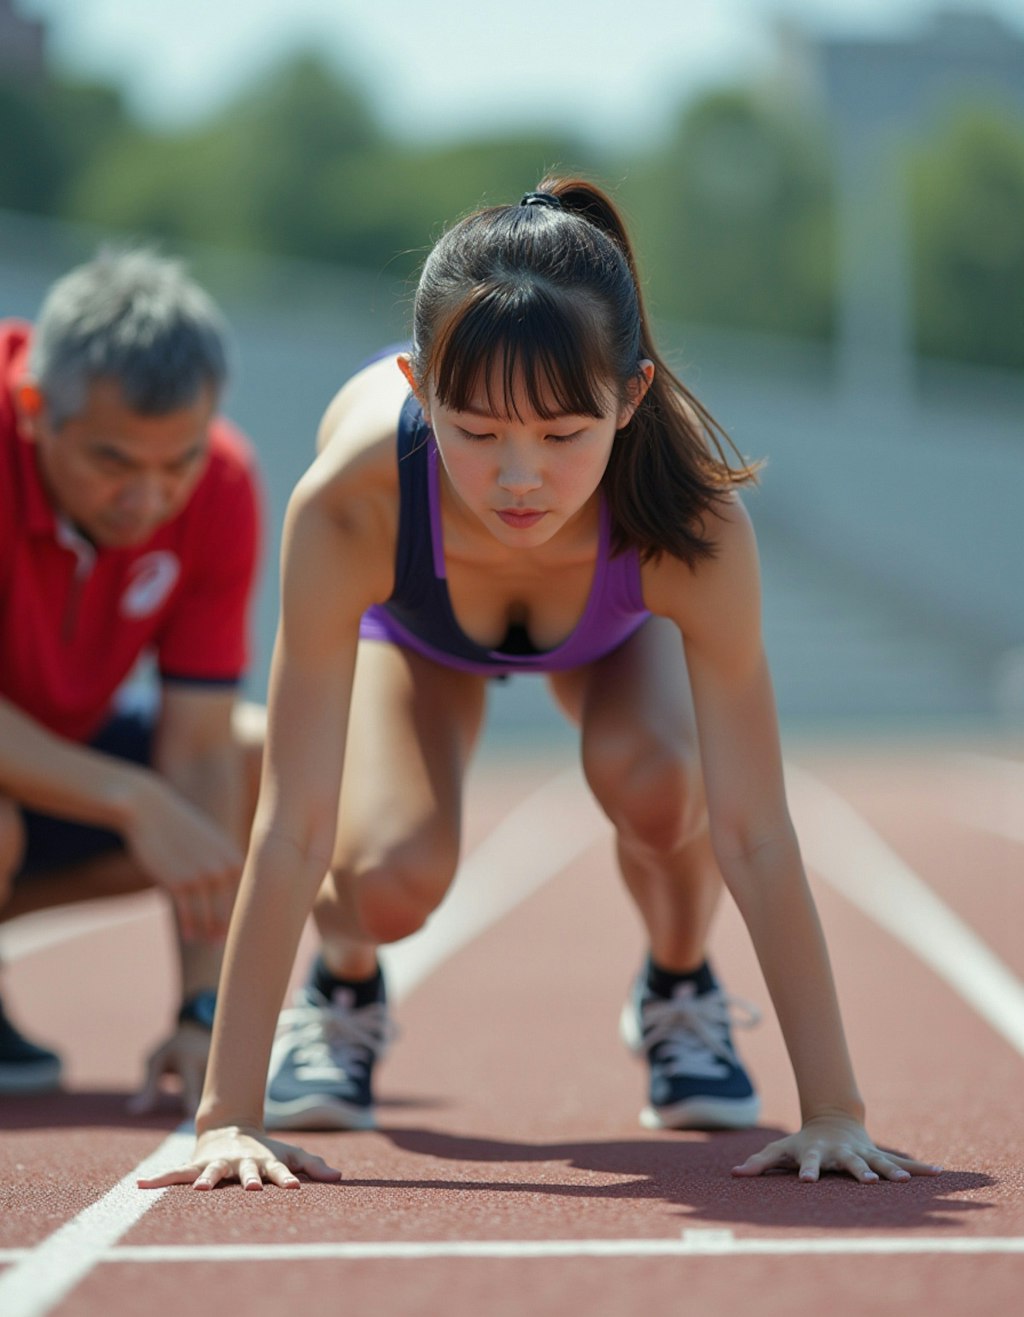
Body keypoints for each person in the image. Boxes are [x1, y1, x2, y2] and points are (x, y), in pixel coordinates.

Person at [140, 178, 942, 1191]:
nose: (520, 478)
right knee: (388, 878)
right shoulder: (351, 498)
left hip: (611, 632)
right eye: (475, 433)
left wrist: (834, 1111)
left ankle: (678, 983)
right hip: (419, 632)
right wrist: (226, 1117)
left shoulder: (690, 521)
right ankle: (343, 987)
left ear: (633, 395)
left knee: (659, 779)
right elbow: (291, 820)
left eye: (565, 437)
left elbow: (755, 828)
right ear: (417, 386)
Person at [0, 248, 264, 1114]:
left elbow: (198, 743)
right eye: (116, 463)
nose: (148, 498)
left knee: (255, 759)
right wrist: (132, 798)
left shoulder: (221, 483)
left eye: (176, 462)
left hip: (53, 758)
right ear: (36, 411)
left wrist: (202, 1007)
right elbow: (154, 791)